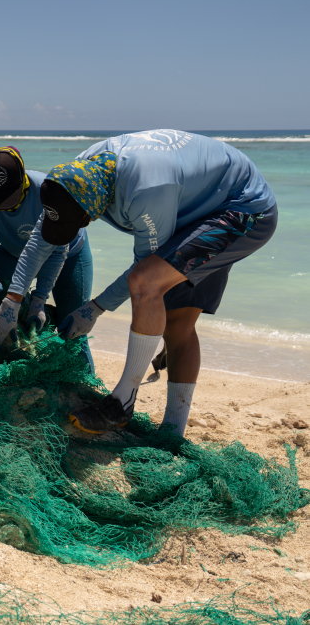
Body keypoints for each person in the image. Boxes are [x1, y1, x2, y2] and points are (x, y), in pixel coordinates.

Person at [40, 130, 277, 437]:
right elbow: (44, 230)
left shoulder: (147, 191)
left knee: (146, 283)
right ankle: (173, 432)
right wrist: (18, 298)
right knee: (176, 323)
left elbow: (142, 274)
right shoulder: (76, 175)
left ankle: (121, 403)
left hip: (243, 209)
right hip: (194, 205)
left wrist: (96, 308)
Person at [0, 147, 92, 357]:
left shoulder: (48, 192)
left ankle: (42, 311)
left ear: (24, 182)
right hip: (14, 253)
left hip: (67, 253)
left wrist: (39, 298)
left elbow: (57, 252)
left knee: (73, 331)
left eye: (8, 200)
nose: (1, 208)